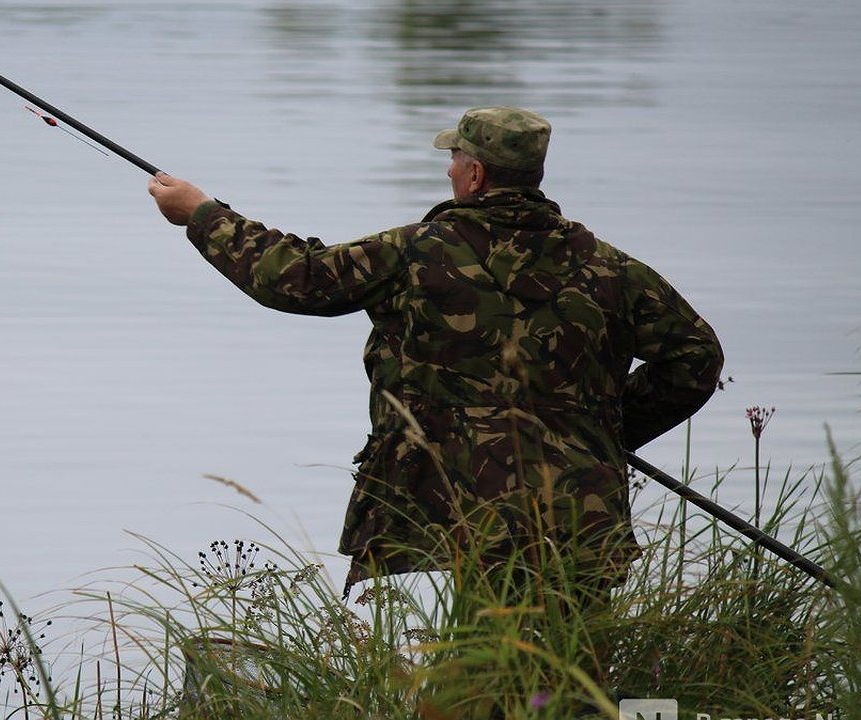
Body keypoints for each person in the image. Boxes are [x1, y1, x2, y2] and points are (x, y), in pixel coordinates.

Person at [147, 106, 723, 601]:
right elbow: (696, 357)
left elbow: (295, 279)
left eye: (455, 161)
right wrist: (602, 431)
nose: (449, 171)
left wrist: (202, 214)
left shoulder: (416, 254)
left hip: (465, 508)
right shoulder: (610, 269)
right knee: (572, 676)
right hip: (581, 510)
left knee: (489, 675)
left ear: (475, 174)